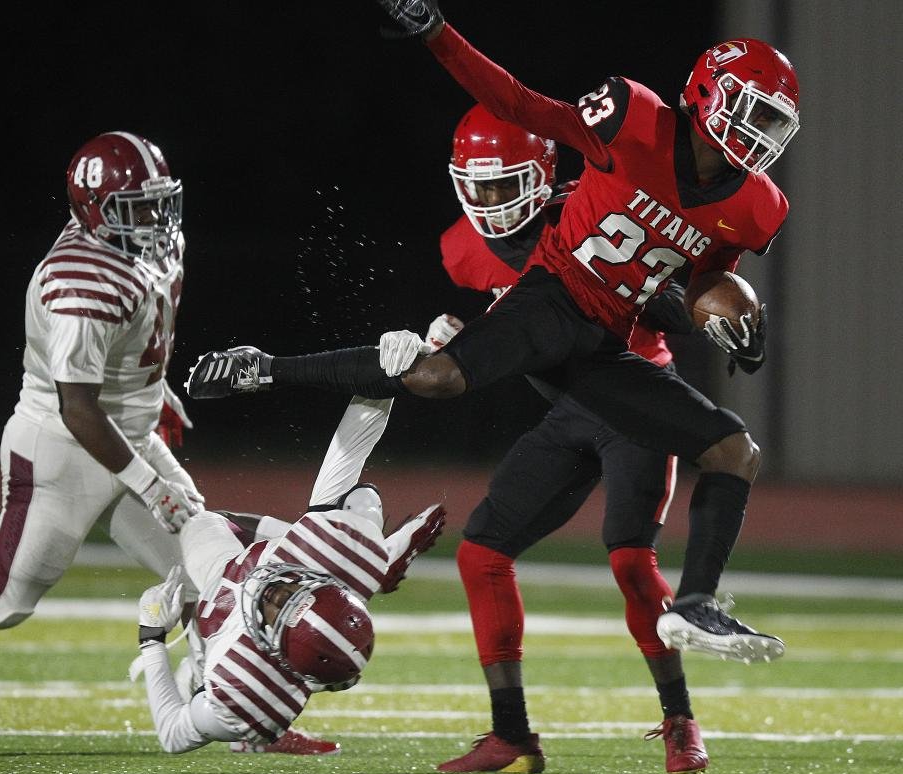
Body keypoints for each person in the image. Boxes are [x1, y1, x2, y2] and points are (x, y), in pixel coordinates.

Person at [188, 1, 795, 691]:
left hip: (607, 344)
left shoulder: (758, 206)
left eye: (775, 122)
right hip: (554, 298)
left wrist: (737, 327)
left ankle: (697, 604)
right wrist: (436, 34)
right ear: (709, 94)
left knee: (733, 450)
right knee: (436, 376)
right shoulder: (635, 116)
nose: (763, 134)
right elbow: (520, 102)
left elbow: (705, 281)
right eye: (756, 111)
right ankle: (267, 367)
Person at [374, 103, 711, 774]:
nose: (494, 202)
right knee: (481, 554)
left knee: (629, 562)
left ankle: (680, 719)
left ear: (546, 173)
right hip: (569, 413)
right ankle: (512, 734)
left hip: (639, 401)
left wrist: (701, 304)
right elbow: (523, 321)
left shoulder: (592, 209)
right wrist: (462, 340)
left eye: (508, 184)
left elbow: (666, 285)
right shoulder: (464, 249)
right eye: (481, 185)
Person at [0, 132, 203, 637]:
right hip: (63, 449)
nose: (155, 221)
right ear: (95, 211)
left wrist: (151, 388)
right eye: (136, 209)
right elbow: (78, 407)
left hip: (125, 438)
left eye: (157, 204)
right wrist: (152, 488)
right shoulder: (81, 278)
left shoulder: (148, 247)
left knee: (207, 573)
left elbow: (134, 338)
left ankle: (216, 706)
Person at [133, 396, 446, 754]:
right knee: (359, 504)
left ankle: (246, 735)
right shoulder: (326, 561)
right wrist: (385, 377)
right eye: (291, 591)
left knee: (196, 680)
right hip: (327, 576)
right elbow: (355, 441)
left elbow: (173, 735)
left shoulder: (251, 691)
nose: (272, 588)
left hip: (231, 658)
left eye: (278, 605)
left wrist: (152, 634)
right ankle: (375, 566)